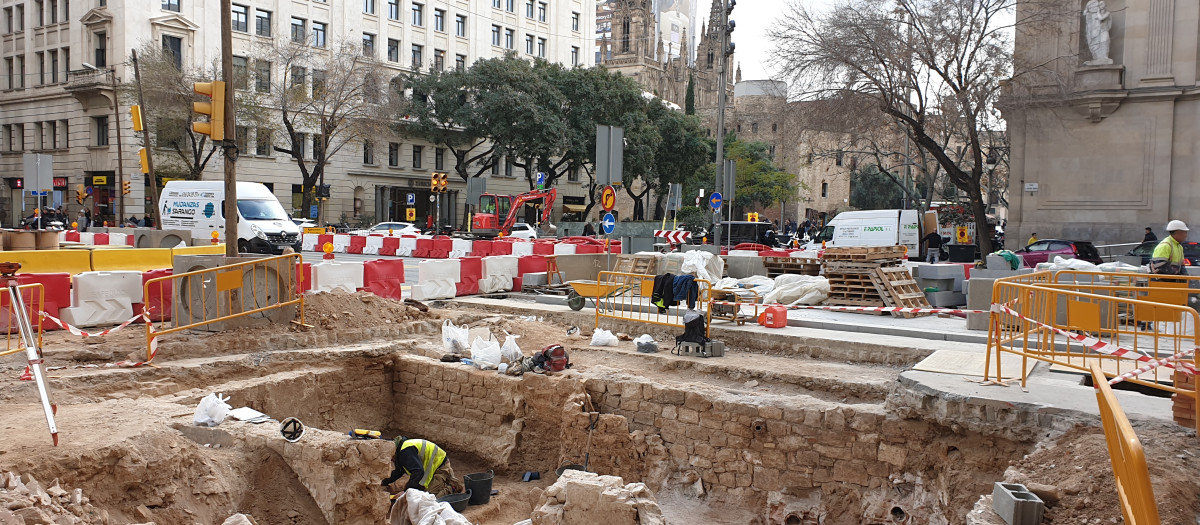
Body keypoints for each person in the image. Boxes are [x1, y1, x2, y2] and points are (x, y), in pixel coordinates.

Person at [381, 437, 463, 498]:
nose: (390, 460)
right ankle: (444, 480)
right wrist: (383, 482)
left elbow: (418, 472)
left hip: (440, 466)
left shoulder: (405, 452)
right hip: (430, 467)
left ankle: (452, 487)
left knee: (429, 497)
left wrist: (406, 491)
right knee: (418, 490)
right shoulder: (400, 451)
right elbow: (399, 471)